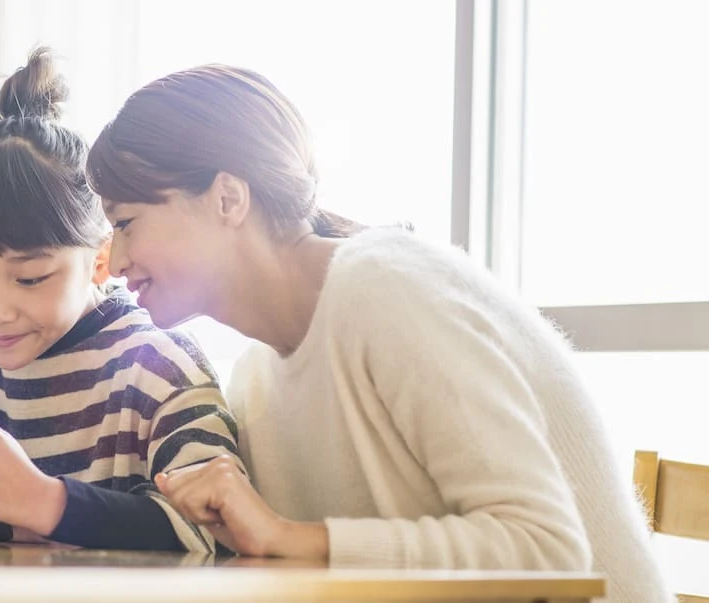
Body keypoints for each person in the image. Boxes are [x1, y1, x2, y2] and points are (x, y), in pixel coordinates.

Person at [84, 64, 672, 601]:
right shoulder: (255, 377)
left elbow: (548, 553)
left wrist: (292, 536)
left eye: (127, 223)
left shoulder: (388, 287)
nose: (115, 256)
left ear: (228, 198)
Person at [0, 48, 242, 553]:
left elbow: (220, 532)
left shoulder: (157, 370)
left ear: (100, 259)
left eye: (30, 279)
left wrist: (45, 502)